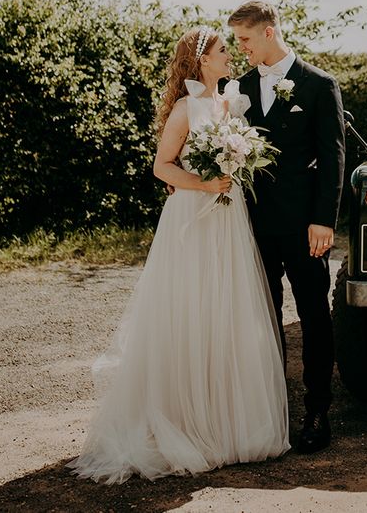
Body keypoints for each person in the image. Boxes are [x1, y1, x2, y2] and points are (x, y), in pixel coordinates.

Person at [68, 26, 289, 484]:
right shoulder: (186, 108)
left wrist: (235, 166)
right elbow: (162, 166)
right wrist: (206, 182)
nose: (231, 55)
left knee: (224, 314)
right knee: (188, 310)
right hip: (192, 216)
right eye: (224, 50)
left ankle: (226, 424)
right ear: (203, 59)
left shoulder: (232, 102)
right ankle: (182, 421)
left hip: (228, 219)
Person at [229, 1, 345, 454]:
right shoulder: (236, 88)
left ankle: (318, 410)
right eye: (237, 41)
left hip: (304, 226)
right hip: (253, 225)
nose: (240, 48)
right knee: (263, 317)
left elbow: (334, 157)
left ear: (270, 33)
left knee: (314, 316)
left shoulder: (319, 85)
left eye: (245, 39)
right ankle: (271, 409)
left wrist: (324, 220)